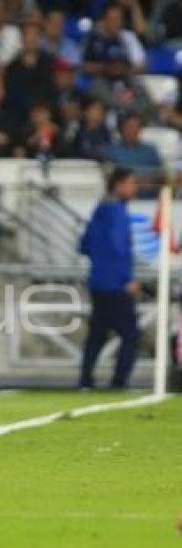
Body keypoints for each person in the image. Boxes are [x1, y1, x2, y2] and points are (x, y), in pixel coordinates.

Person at [79, 167, 140, 390]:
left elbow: (83, 245)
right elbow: (119, 247)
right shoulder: (118, 212)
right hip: (116, 283)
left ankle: (85, 380)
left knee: (97, 334)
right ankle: (119, 381)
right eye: (132, 183)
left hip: (97, 281)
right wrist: (127, 278)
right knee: (131, 334)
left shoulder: (99, 210)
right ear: (119, 185)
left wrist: (100, 260)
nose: (135, 188)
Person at [102, 113, 163, 197]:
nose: (134, 130)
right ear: (121, 129)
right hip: (121, 197)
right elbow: (109, 178)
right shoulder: (111, 151)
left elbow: (160, 175)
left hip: (149, 197)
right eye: (130, 126)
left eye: (137, 127)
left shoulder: (150, 150)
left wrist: (144, 183)